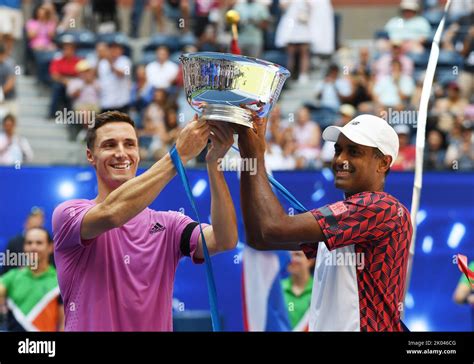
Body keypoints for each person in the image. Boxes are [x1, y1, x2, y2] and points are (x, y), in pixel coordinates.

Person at [52, 111, 238, 331]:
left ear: (138, 153)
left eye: (129, 144)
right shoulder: (69, 214)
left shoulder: (170, 225)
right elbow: (113, 212)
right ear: (90, 156)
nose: (121, 153)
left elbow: (224, 240)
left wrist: (214, 163)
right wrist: (177, 157)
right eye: (110, 145)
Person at [237, 113, 412, 331]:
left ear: (384, 163)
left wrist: (255, 155)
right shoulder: (347, 220)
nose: (340, 160)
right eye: (338, 150)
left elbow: (272, 228)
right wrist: (249, 160)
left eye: (354, 152)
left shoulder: (380, 207)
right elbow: (259, 238)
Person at [0, 227, 64, 331]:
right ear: (24, 247)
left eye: (39, 243)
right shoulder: (12, 277)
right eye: (29, 243)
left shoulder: (59, 281)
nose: (33, 247)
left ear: (50, 247)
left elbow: (63, 324)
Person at [1, 207, 45, 275]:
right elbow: (5, 270)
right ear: (26, 223)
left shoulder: (46, 244)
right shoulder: (14, 243)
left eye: (39, 222)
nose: (33, 247)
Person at [281, 251, 314, 330]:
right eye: (290, 255)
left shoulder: (318, 290)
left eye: (298, 255)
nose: (292, 259)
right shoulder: (279, 288)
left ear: (310, 261)